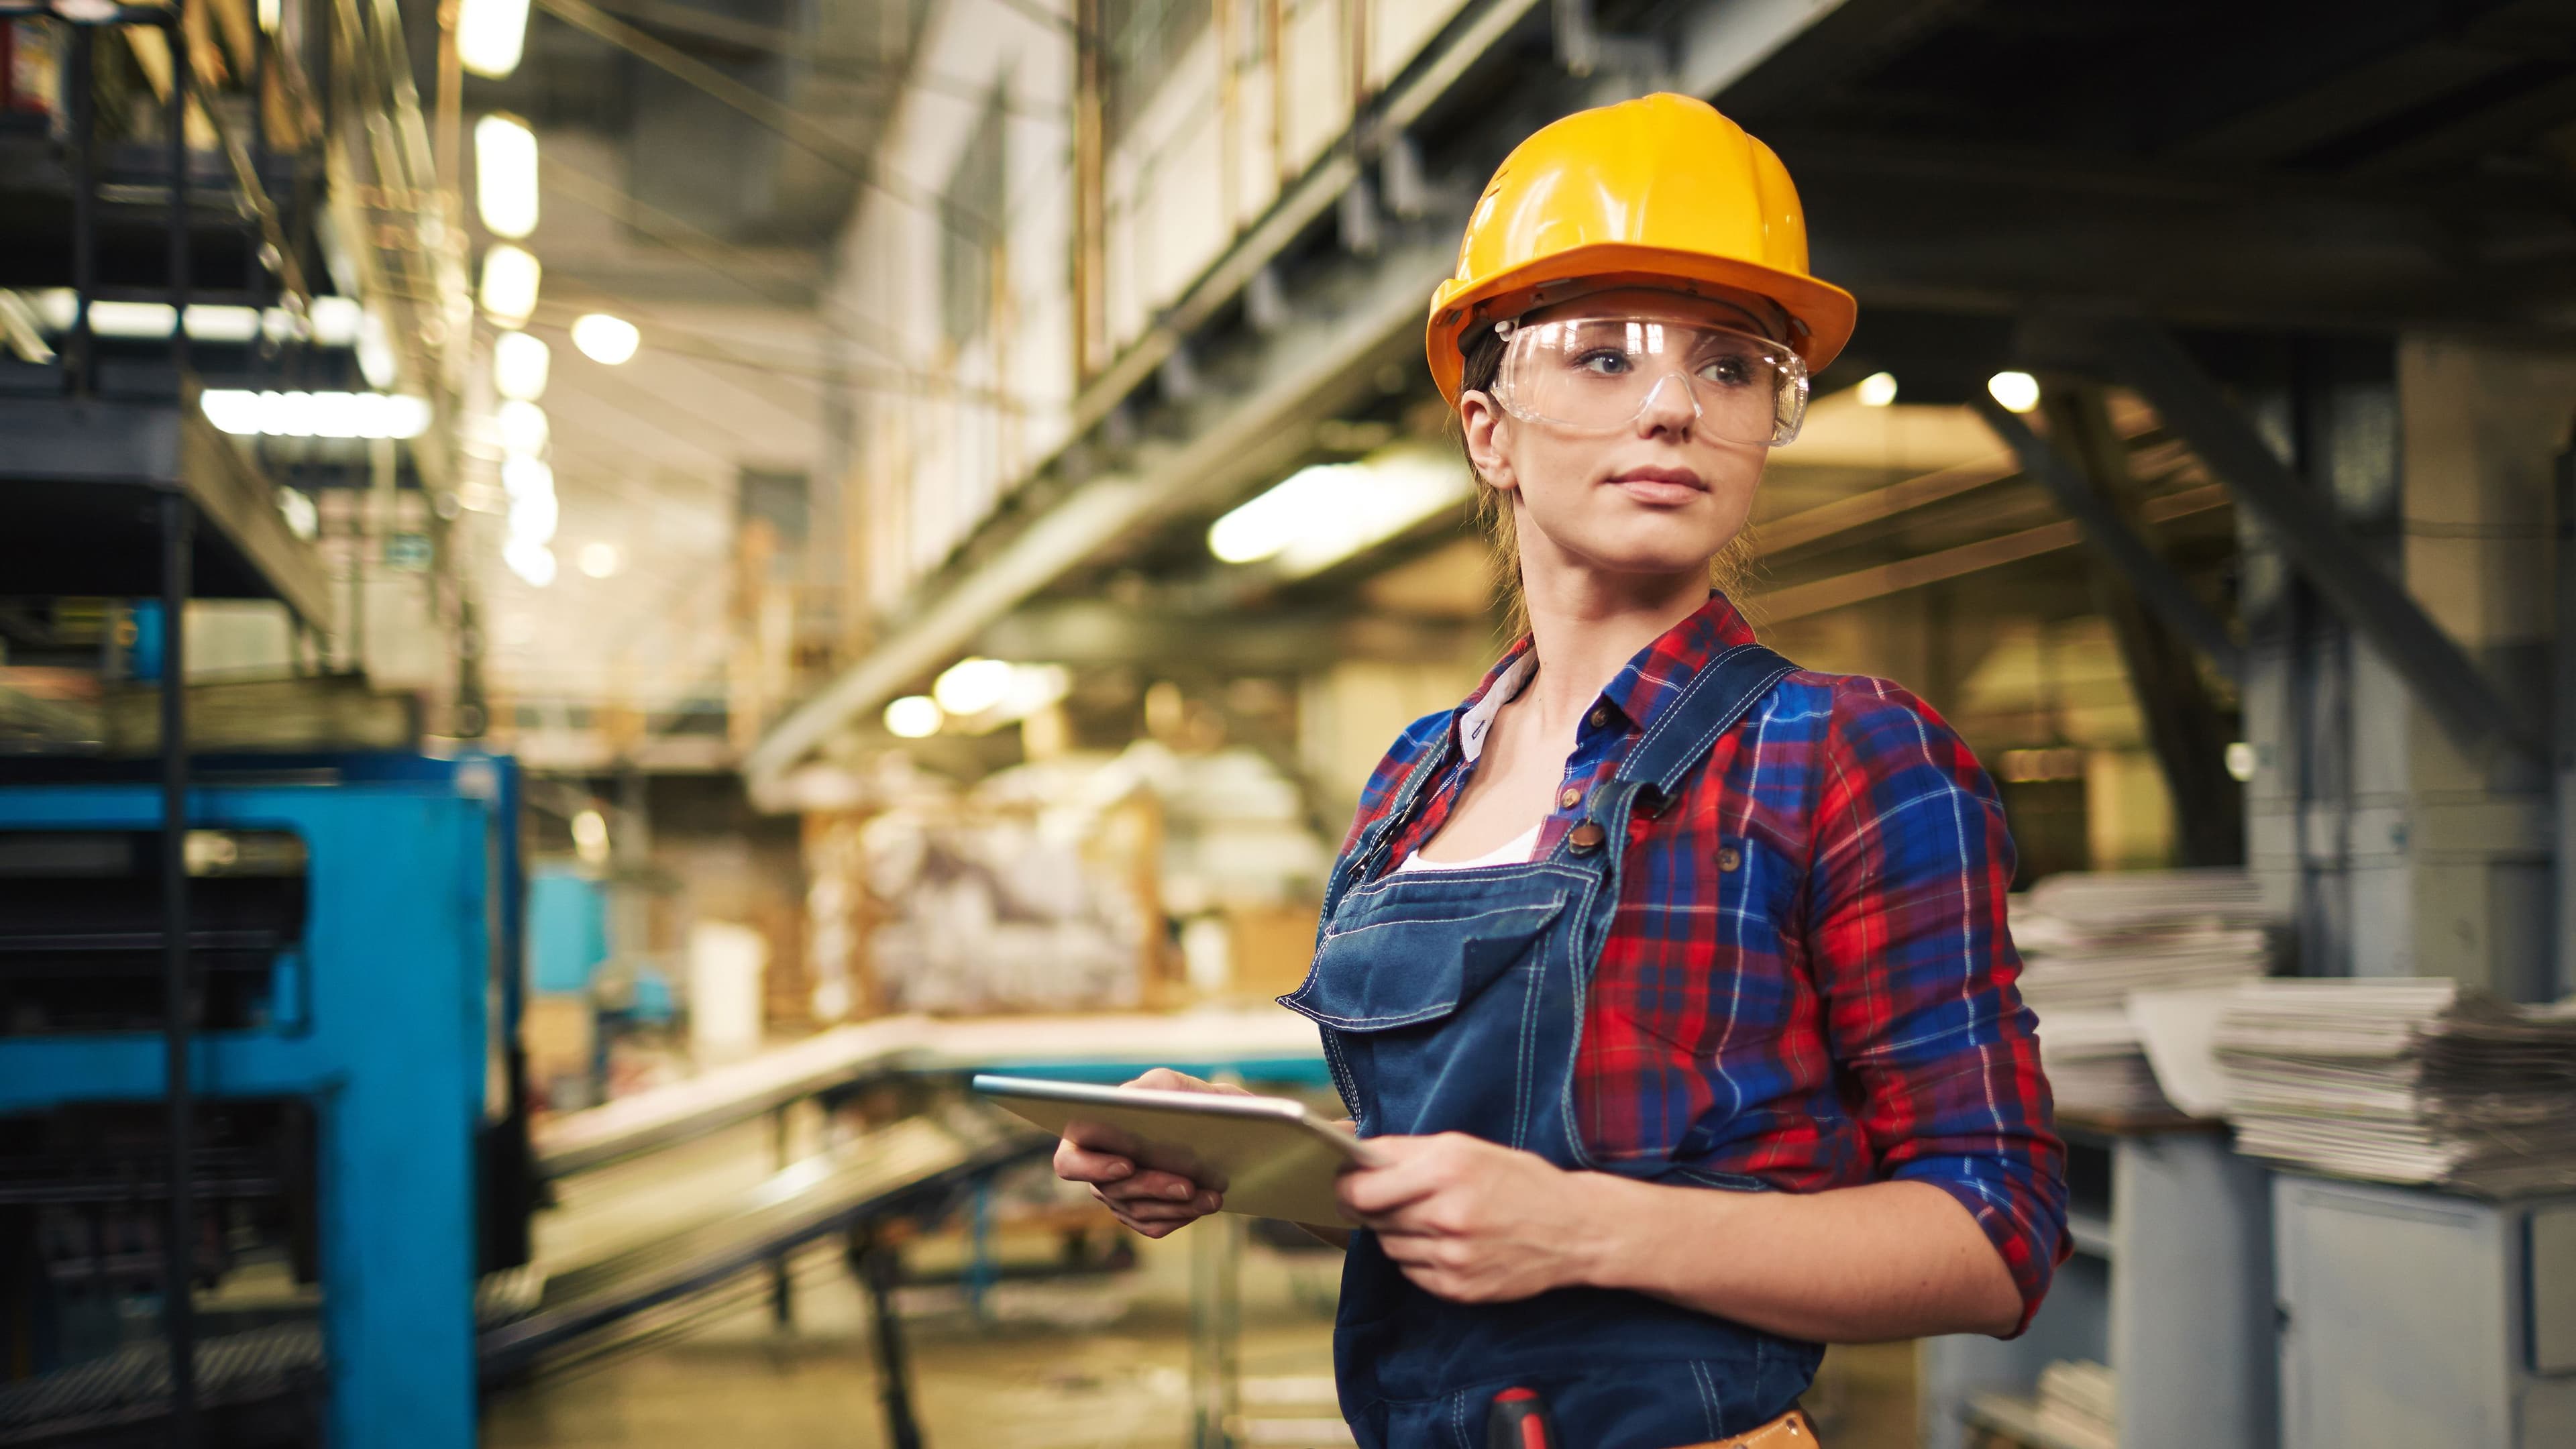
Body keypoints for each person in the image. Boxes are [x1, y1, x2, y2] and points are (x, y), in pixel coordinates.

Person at [1055, 93, 2066, 1449]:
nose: (1671, 406)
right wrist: (1248, 1155)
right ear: (1489, 429)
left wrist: (1589, 1230)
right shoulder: (1418, 776)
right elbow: (1443, 1180)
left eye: (1730, 367)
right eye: (1602, 358)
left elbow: (1995, 1237)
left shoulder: (1849, 755)